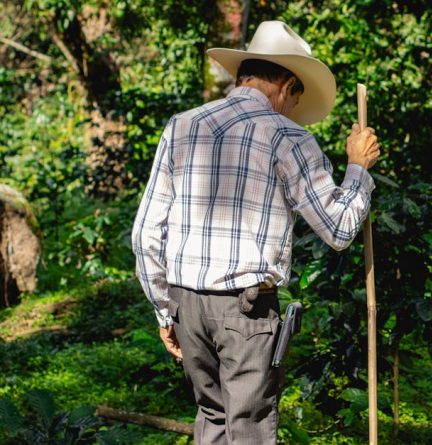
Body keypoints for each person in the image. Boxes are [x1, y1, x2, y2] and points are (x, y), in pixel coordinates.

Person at [131, 21, 380, 444]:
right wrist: (357, 168)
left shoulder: (183, 125)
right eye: (295, 98)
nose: (292, 108)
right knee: (249, 431)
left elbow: (145, 233)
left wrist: (164, 309)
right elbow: (338, 229)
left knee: (212, 419)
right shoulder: (287, 136)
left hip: (186, 304)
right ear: (285, 85)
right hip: (245, 311)